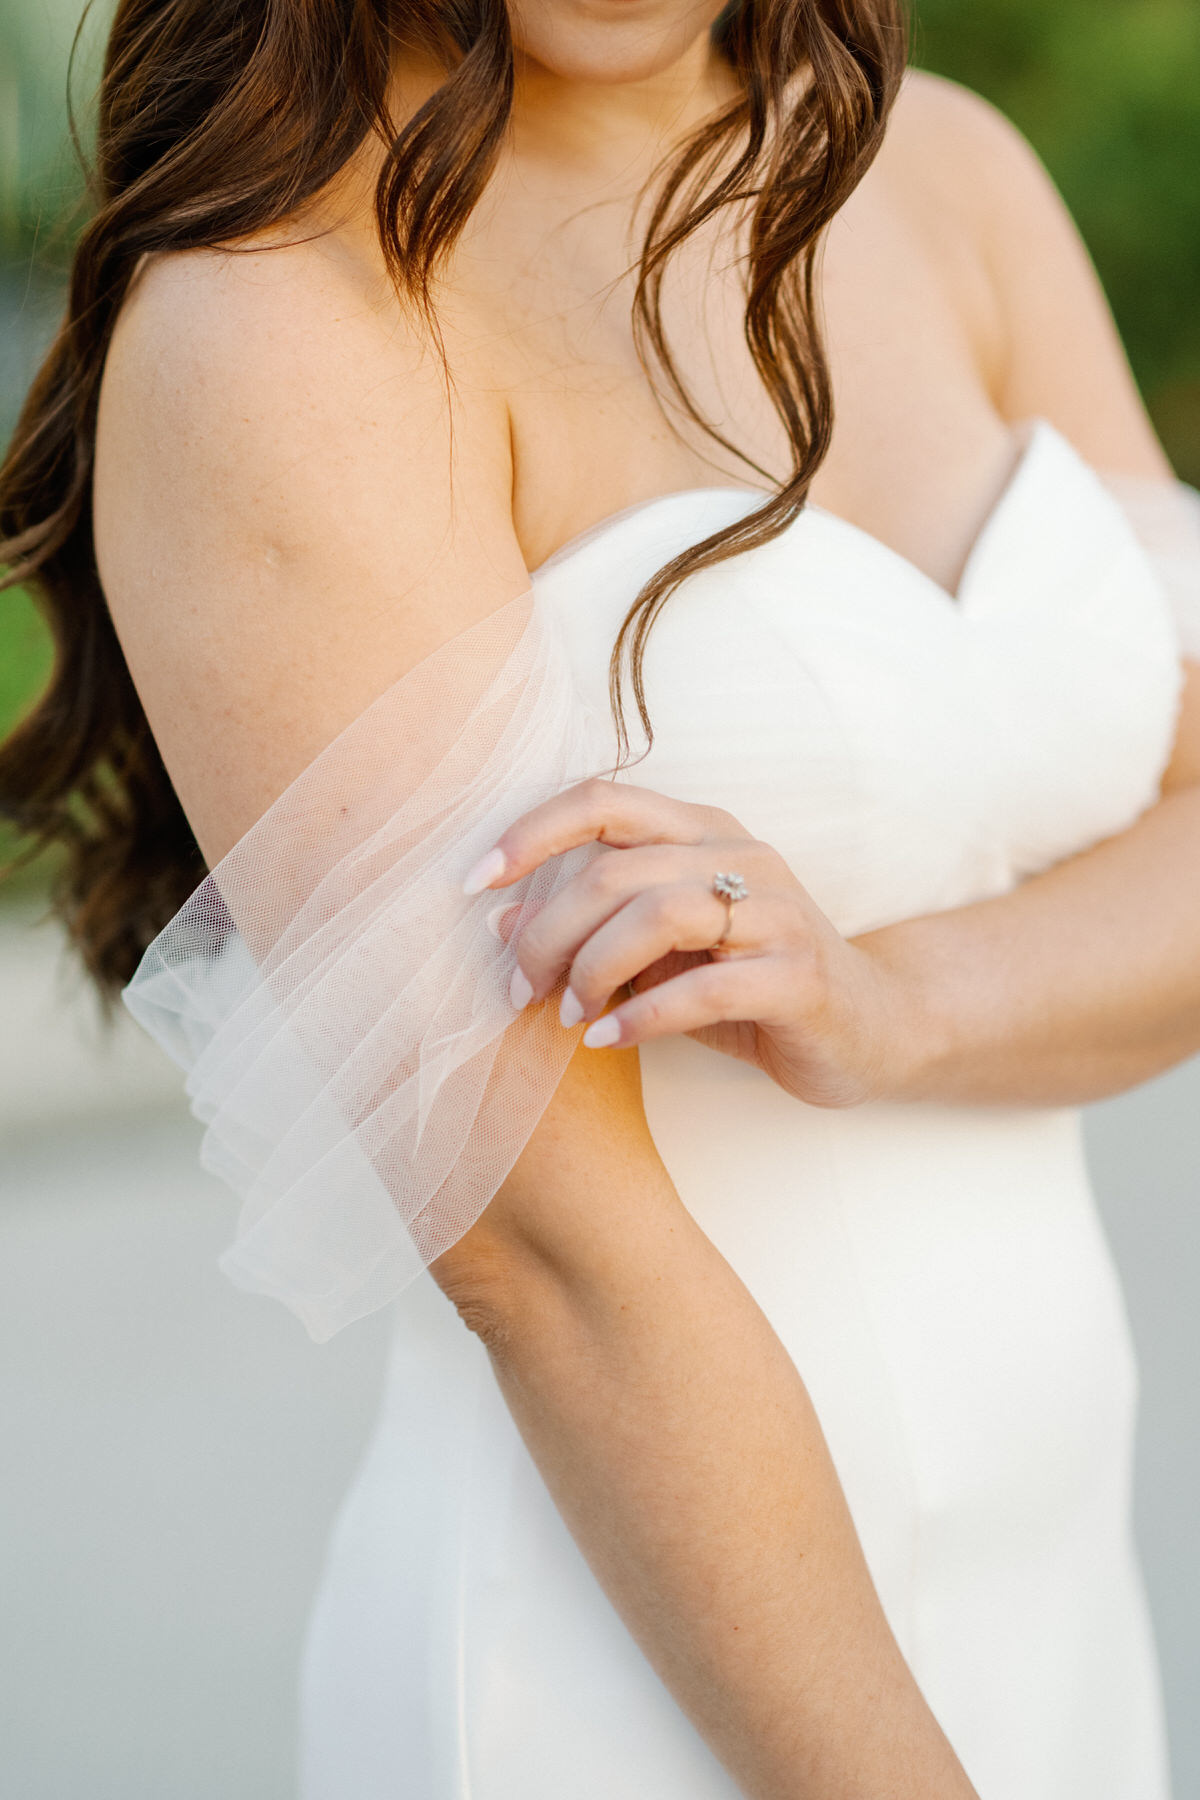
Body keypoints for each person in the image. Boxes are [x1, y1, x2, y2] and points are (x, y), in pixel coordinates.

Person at [1, 0, 1198, 1793]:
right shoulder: (278, 323)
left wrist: (891, 1002)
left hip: (1062, 1604)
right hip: (647, 1673)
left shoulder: (948, 177)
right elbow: (551, 1255)